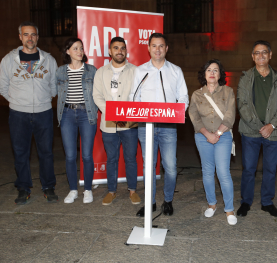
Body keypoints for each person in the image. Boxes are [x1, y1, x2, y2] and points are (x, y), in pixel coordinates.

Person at [0, 21, 58, 204]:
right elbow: (2, 86)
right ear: (20, 37)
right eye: (26, 34)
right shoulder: (9, 59)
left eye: (33, 35)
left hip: (44, 112)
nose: (29, 38)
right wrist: (18, 101)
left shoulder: (49, 59)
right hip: (18, 114)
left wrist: (43, 100)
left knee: (46, 152)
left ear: (37, 37)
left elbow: (54, 86)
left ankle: (48, 187)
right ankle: (23, 188)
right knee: (20, 152)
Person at [130, 33, 189, 217]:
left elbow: (184, 97)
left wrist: (177, 112)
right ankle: (151, 203)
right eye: (154, 46)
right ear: (148, 48)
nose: (157, 49)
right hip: (145, 126)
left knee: (170, 166)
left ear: (166, 48)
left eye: (161, 46)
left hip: (168, 126)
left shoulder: (176, 71)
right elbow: (134, 97)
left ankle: (168, 200)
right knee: (148, 166)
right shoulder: (140, 71)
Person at [236, 40, 277, 217]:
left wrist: (272, 125)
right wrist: (260, 127)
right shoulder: (245, 77)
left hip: (273, 133)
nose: (261, 56)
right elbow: (242, 104)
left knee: (270, 169)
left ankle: (267, 202)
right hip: (251, 132)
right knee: (249, 168)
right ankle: (246, 201)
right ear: (252, 57)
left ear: (270, 55)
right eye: (257, 53)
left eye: (264, 52)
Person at [93, 36, 140, 206]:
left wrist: (125, 114)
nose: (119, 51)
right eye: (116, 48)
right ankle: (111, 191)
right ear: (109, 51)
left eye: (122, 48)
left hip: (129, 124)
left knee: (130, 158)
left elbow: (138, 95)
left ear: (126, 51)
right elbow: (96, 96)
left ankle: (132, 190)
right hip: (109, 124)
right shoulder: (101, 72)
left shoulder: (135, 71)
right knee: (111, 159)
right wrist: (113, 113)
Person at [189, 59, 237, 225]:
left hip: (223, 135)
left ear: (220, 75)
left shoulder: (228, 91)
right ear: (204, 74)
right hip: (202, 137)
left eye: (215, 70)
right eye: (209, 70)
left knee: (223, 172)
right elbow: (194, 117)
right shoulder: (197, 94)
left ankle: (229, 209)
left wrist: (216, 133)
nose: (212, 73)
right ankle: (212, 204)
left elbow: (230, 116)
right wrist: (206, 134)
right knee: (208, 171)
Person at [56, 37, 98, 204]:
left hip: (86, 114)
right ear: (68, 51)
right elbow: (54, 91)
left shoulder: (91, 70)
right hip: (66, 114)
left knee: (87, 155)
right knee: (70, 155)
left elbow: (98, 92)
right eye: (75, 48)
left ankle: (87, 190)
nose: (80, 51)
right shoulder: (60, 71)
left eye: (81, 48)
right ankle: (73, 189)